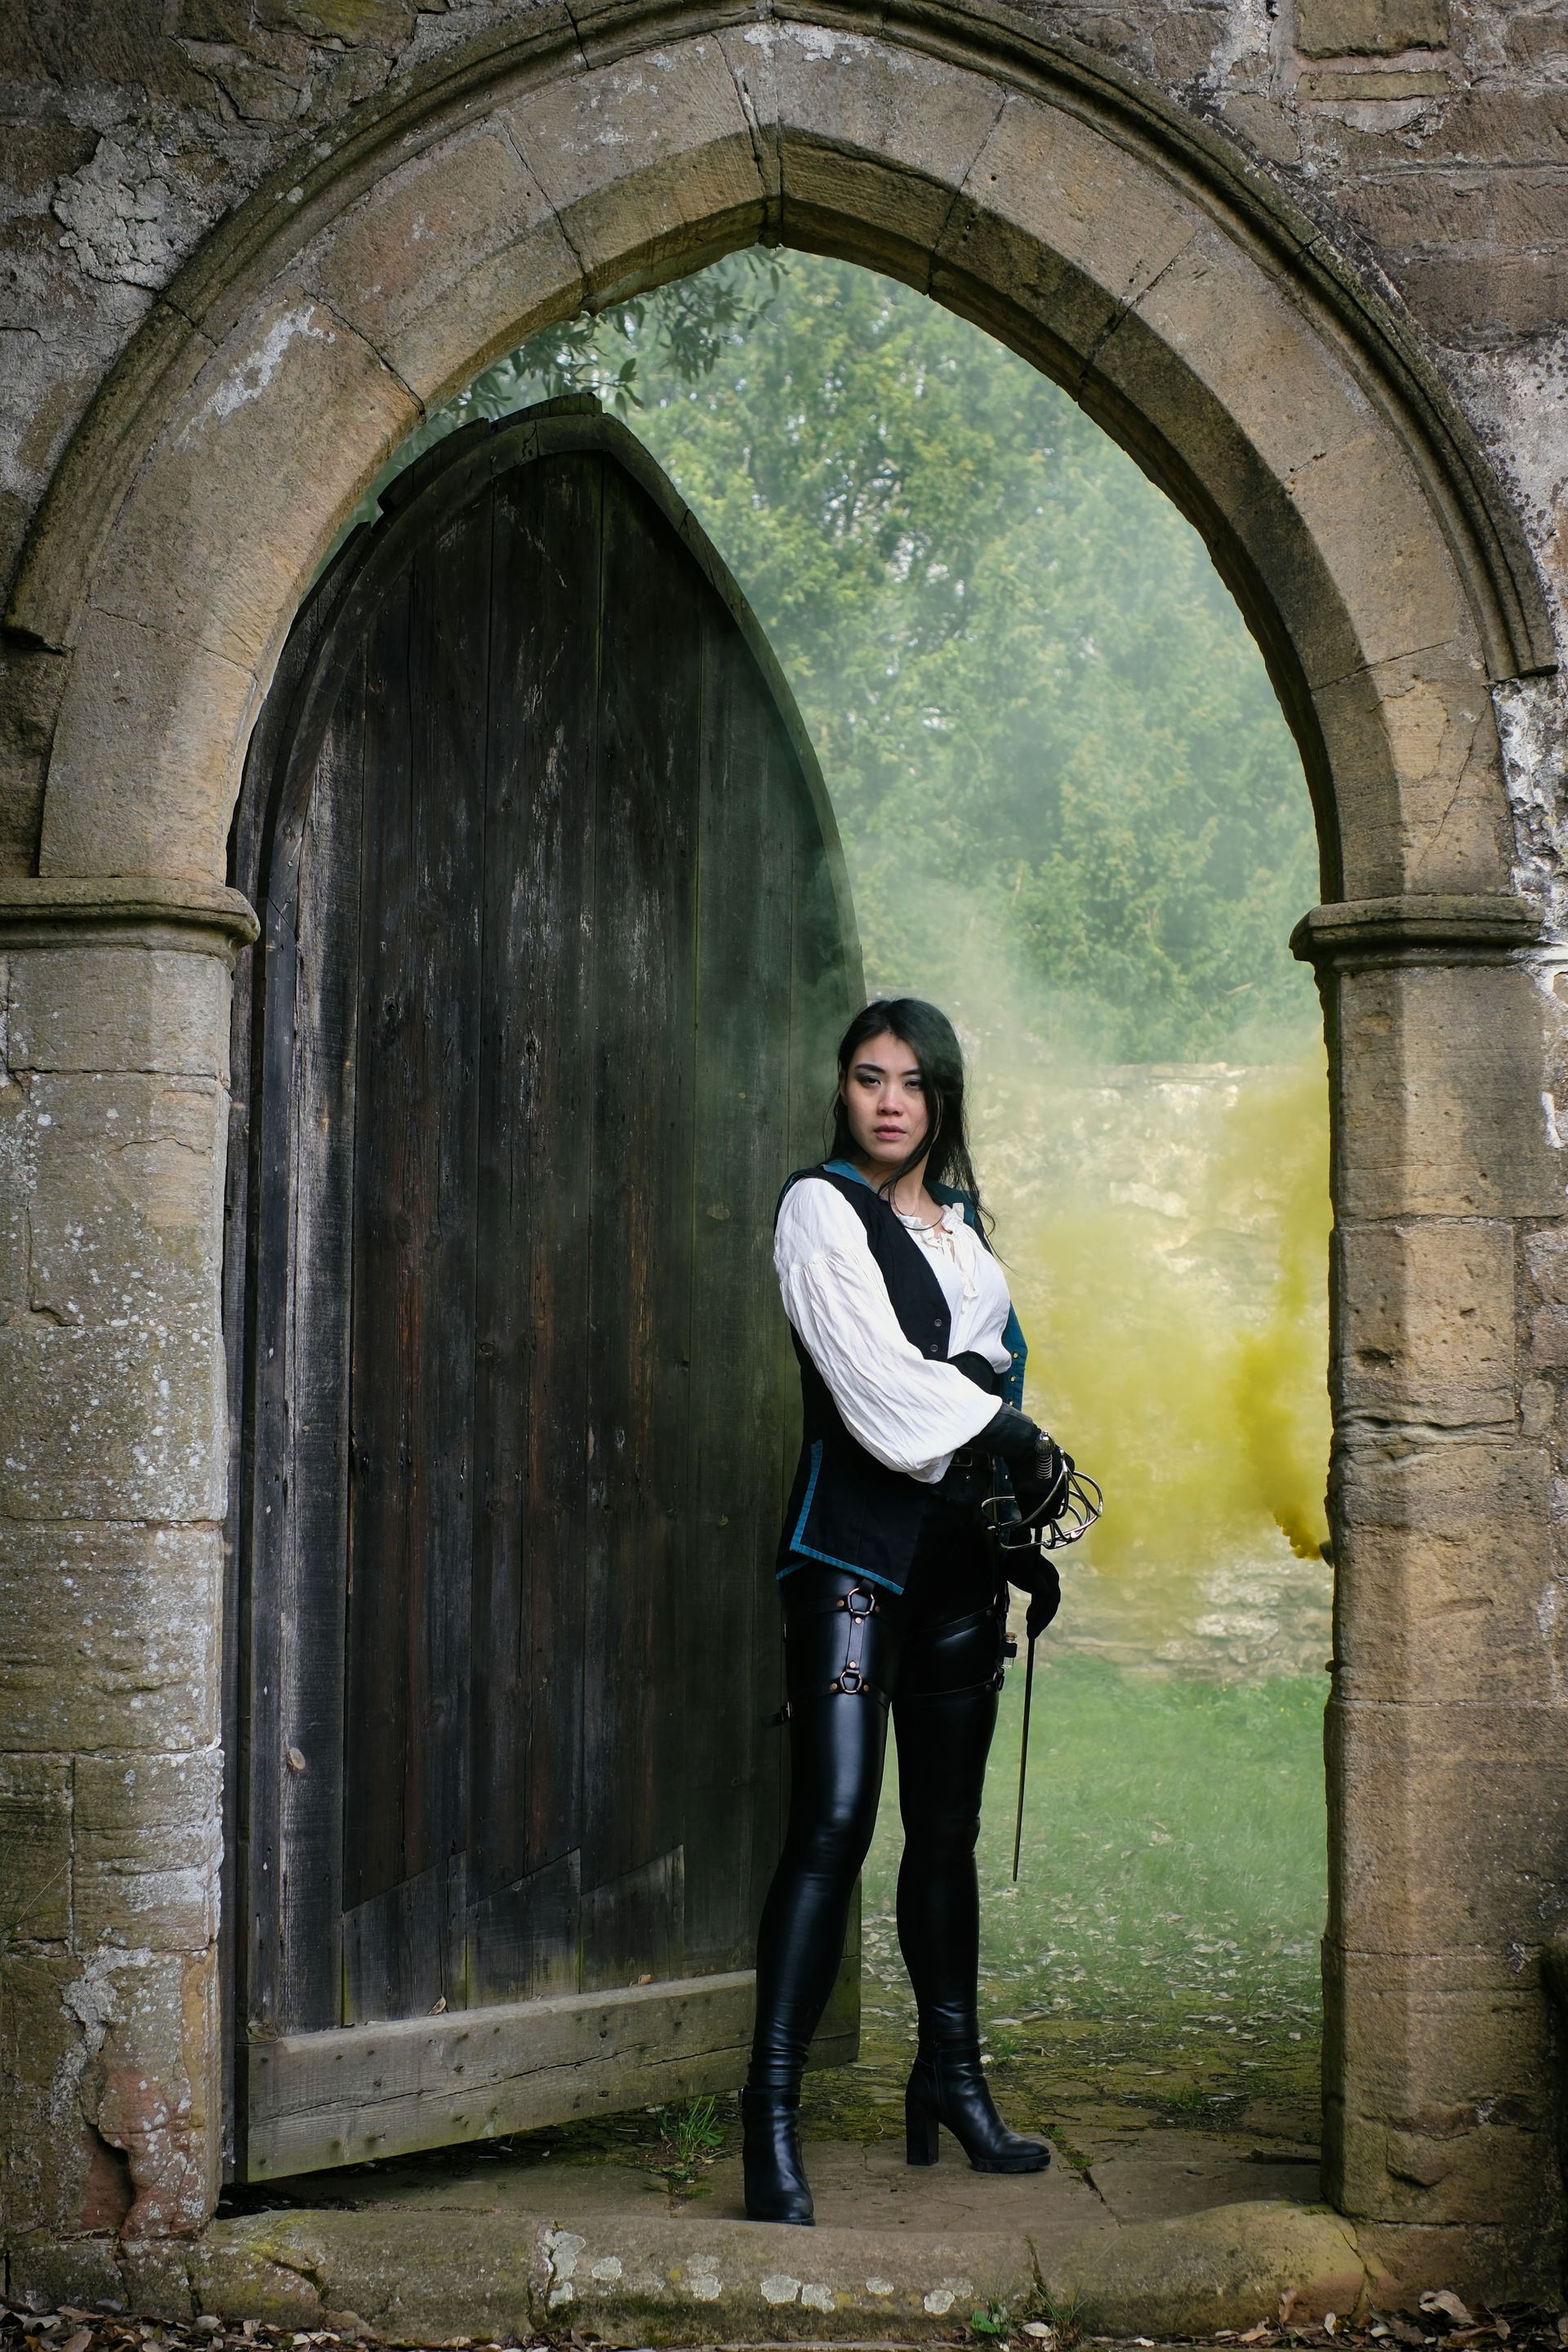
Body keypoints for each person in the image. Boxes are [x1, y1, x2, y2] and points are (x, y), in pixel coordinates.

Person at [742, 997, 1069, 2227]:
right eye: (869, 1077)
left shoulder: (966, 1235)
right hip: (852, 1560)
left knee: (946, 1838)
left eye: (913, 1082)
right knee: (830, 1826)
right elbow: (882, 1396)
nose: (889, 1100)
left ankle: (951, 2078)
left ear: (942, 1101)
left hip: (956, 1572)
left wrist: (999, 1418)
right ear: (844, 1091)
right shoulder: (817, 1211)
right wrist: (997, 1419)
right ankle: (766, 2120)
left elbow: (990, 1369)